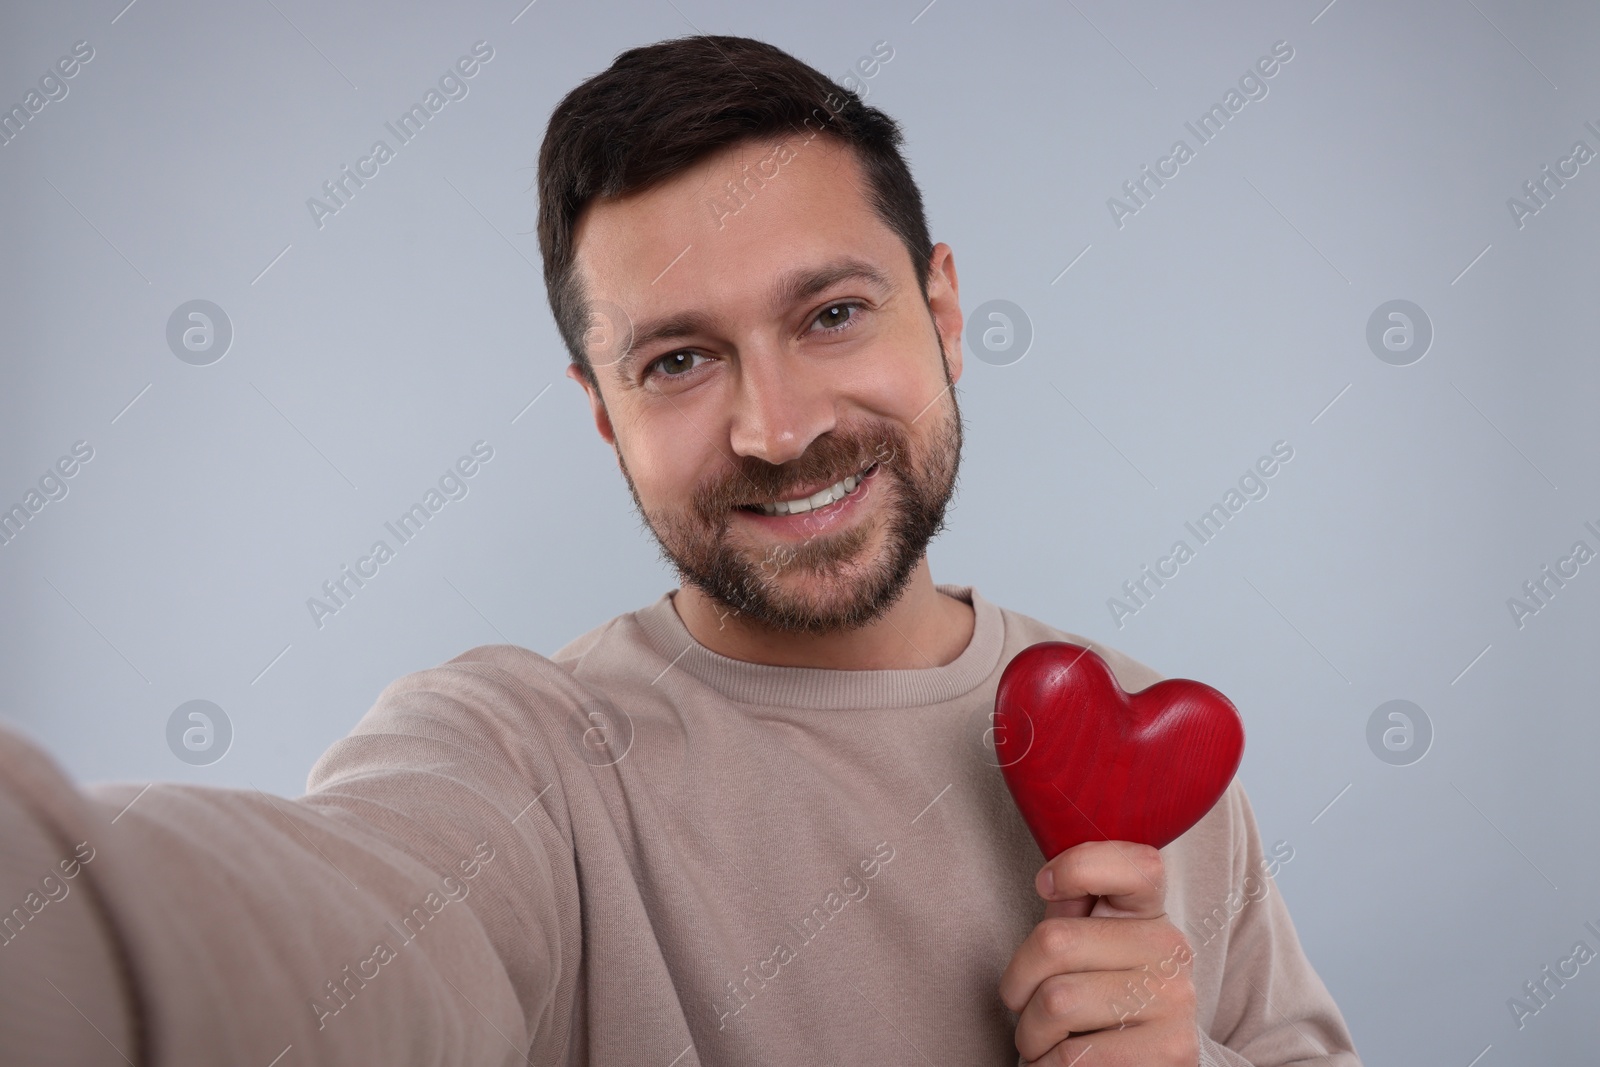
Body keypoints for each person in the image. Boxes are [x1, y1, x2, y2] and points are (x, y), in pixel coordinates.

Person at [0, 34, 1362, 1066]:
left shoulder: (1143, 737)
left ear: (944, 311)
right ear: (605, 415)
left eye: (831, 313)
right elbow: (342, 927)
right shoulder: (521, 753)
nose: (778, 430)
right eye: (680, 359)